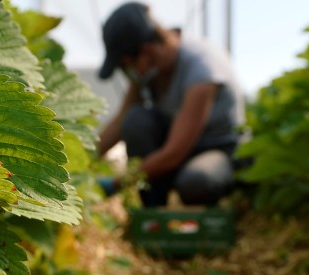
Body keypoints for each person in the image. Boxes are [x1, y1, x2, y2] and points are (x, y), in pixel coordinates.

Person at [96, 2, 245, 208]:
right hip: (174, 151)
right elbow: (121, 122)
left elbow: (174, 153)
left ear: (146, 51)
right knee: (136, 120)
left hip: (215, 151)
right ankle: (152, 213)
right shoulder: (149, 69)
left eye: (125, 65)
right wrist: (79, 161)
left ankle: (202, 221)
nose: (126, 72)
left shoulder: (202, 68)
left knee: (197, 181)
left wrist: (115, 184)